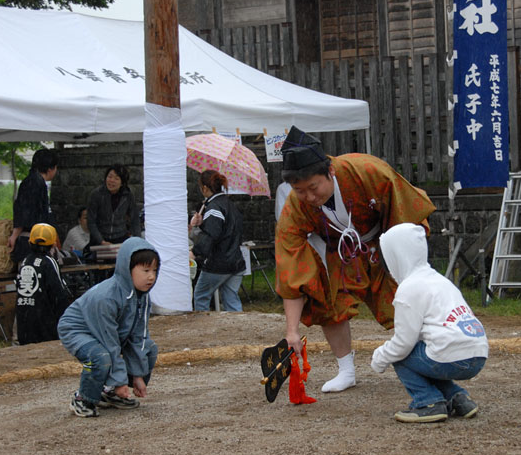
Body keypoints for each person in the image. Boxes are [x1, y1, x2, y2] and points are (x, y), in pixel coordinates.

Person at [275, 126, 436, 393]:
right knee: (328, 299)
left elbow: (407, 210)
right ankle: (346, 370)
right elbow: (290, 263)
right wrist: (291, 330)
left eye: (313, 187)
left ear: (330, 171)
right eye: (300, 190)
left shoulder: (367, 171)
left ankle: (431, 362)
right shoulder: (295, 206)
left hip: (386, 241)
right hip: (341, 251)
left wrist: (405, 261)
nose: (309, 197)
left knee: (406, 302)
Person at [371, 223, 488, 423]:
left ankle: (428, 402)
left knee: (402, 356)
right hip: (478, 354)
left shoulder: (409, 289)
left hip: (452, 357)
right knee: (429, 354)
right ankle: (457, 398)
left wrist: (380, 357)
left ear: (396, 256)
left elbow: (403, 343)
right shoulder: (440, 280)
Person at [57, 237, 160, 418]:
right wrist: (119, 380)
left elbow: (139, 336)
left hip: (110, 333)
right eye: (145, 270)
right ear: (127, 269)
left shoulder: (143, 298)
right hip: (78, 329)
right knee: (101, 356)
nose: (151, 276)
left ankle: (109, 393)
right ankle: (83, 398)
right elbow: (109, 341)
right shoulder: (106, 296)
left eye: (154, 270)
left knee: (149, 348)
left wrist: (138, 375)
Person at [189, 170, 246, 312]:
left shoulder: (214, 207)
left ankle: (204, 329)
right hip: (237, 261)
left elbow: (212, 235)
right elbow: (225, 230)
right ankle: (239, 331)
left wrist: (194, 252)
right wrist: (203, 222)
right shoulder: (230, 205)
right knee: (231, 300)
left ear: (205, 188)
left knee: (201, 296)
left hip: (219, 263)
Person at [15, 223, 72, 345]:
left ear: (30, 243)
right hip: (44, 324)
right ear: (53, 244)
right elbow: (58, 294)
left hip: (24, 323)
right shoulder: (49, 262)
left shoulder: (25, 261)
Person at [7, 147, 59, 264]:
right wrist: (14, 235)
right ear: (51, 169)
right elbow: (23, 211)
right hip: (33, 241)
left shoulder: (34, 182)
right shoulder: (34, 183)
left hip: (37, 239)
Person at [86, 164, 141, 246]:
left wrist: (137, 239)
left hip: (121, 237)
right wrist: (101, 241)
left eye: (116, 178)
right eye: (110, 177)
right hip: (100, 239)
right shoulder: (96, 194)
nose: (111, 181)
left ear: (122, 183)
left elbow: (135, 219)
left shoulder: (128, 195)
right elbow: (91, 221)